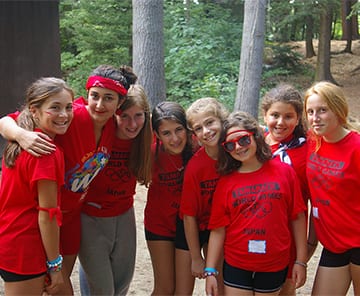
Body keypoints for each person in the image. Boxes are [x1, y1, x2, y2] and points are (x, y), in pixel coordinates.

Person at [0, 65, 136, 294]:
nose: (100, 105)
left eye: (109, 99)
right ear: (87, 95)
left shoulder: (112, 126)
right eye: (95, 96)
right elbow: (8, 120)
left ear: (119, 104)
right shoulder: (71, 117)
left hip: (70, 219)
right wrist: (21, 135)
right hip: (39, 221)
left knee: (57, 287)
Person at [205, 111, 307, 296]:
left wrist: (300, 261)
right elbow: (218, 229)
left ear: (256, 136)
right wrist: (210, 270)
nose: (238, 147)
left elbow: (298, 217)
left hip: (274, 263)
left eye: (243, 140)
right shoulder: (226, 182)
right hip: (237, 262)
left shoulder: (284, 172)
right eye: (230, 144)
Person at [0, 77, 74, 295]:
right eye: (55, 108)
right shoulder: (46, 152)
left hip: (11, 239)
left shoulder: (21, 139)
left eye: (68, 107)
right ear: (34, 111)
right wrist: (55, 266)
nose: (64, 115)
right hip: (26, 248)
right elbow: (47, 215)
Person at [78, 84, 152, 295]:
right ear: (114, 113)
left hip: (124, 215)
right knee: (101, 289)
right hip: (91, 216)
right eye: (124, 116)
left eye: (138, 115)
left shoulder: (145, 140)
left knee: (121, 285)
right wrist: (19, 133)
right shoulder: (99, 130)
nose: (132, 124)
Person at [304, 81, 360, 296]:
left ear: (338, 110)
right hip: (334, 245)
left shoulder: (356, 147)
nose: (315, 117)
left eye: (322, 110)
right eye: (310, 111)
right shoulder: (312, 142)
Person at [261, 83, 316, 295]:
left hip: (291, 237)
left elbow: (316, 201)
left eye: (288, 116)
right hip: (255, 232)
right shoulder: (252, 145)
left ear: (298, 117)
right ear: (265, 115)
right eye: (275, 115)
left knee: (285, 289)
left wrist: (309, 245)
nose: (281, 122)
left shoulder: (310, 148)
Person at [177, 97, 228, 295]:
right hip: (196, 228)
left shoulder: (235, 154)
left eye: (210, 123)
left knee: (219, 286)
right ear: (194, 134)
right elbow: (189, 216)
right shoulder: (195, 167)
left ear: (222, 120)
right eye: (198, 128)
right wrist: (196, 257)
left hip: (222, 229)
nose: (206, 131)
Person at [144, 101, 194, 295]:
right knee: (165, 288)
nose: (174, 138)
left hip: (189, 227)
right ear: (157, 135)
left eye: (179, 129)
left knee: (183, 292)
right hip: (159, 225)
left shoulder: (198, 148)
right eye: (166, 133)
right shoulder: (150, 154)